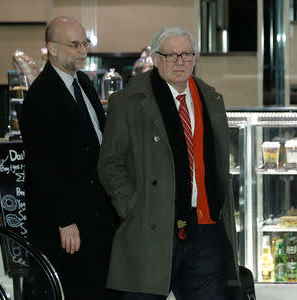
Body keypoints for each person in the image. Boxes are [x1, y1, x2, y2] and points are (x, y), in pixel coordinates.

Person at [97, 26, 240, 299]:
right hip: (152, 228)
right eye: (171, 55)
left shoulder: (210, 98)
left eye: (186, 54)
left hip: (205, 228)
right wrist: (133, 207)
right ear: (155, 58)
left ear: (195, 58)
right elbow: (110, 163)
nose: (180, 62)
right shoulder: (128, 102)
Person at [21, 16, 116, 299]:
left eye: (84, 43)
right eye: (74, 45)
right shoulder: (40, 96)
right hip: (67, 226)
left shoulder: (83, 83)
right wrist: (65, 219)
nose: (83, 51)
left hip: (96, 218)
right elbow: (43, 166)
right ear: (52, 47)